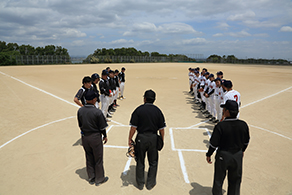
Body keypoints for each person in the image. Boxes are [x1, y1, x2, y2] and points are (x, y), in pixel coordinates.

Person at [206, 100, 250, 195]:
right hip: (237, 155)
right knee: (235, 180)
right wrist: (242, 150)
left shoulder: (221, 126)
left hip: (223, 155)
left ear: (227, 111)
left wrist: (209, 154)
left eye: (224, 109)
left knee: (218, 179)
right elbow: (246, 141)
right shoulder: (243, 125)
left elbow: (214, 143)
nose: (223, 110)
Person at [128, 89, 166, 190]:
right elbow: (161, 129)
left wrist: (130, 139)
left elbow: (133, 127)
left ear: (144, 99)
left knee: (140, 161)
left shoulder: (138, 110)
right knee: (153, 162)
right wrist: (162, 140)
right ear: (154, 99)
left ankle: (140, 184)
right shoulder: (158, 111)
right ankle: (150, 183)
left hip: (141, 138)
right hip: (153, 138)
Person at [77, 90, 109, 186]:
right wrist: (105, 136)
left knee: (89, 156)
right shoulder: (97, 112)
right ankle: (99, 178)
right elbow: (102, 127)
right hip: (95, 137)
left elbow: (80, 124)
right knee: (98, 158)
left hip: (85, 137)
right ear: (94, 99)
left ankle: (91, 177)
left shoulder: (80, 110)